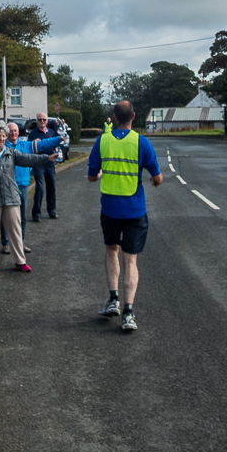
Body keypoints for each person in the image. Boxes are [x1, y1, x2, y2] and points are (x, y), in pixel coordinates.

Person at [87, 100, 162, 332]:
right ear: (134, 116)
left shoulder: (102, 141)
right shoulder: (142, 142)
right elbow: (157, 178)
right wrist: (152, 180)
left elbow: (91, 176)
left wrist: (100, 175)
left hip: (110, 208)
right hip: (135, 209)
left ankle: (113, 300)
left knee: (111, 250)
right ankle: (128, 313)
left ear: (114, 117)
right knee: (130, 260)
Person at [0, 121, 57, 274]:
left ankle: (20, 261)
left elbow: (28, 158)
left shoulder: (10, 152)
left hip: (10, 196)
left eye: (4, 136)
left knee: (15, 230)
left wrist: (47, 158)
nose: (2, 139)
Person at [0, 122, 62, 255]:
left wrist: (58, 139)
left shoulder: (24, 145)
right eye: (10, 131)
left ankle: (20, 242)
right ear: (6, 133)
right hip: (7, 186)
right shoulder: (2, 147)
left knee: (22, 217)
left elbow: (42, 144)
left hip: (23, 185)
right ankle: (5, 243)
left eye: (15, 131)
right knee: (6, 217)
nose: (14, 133)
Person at [27, 112, 64, 220]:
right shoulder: (33, 133)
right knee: (40, 187)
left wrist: (57, 151)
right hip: (38, 163)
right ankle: (36, 213)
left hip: (50, 162)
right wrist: (34, 143)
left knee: (51, 186)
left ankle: (52, 210)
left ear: (47, 121)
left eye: (44, 120)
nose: (42, 122)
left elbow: (56, 144)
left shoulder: (52, 132)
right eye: (40, 120)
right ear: (36, 121)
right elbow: (29, 147)